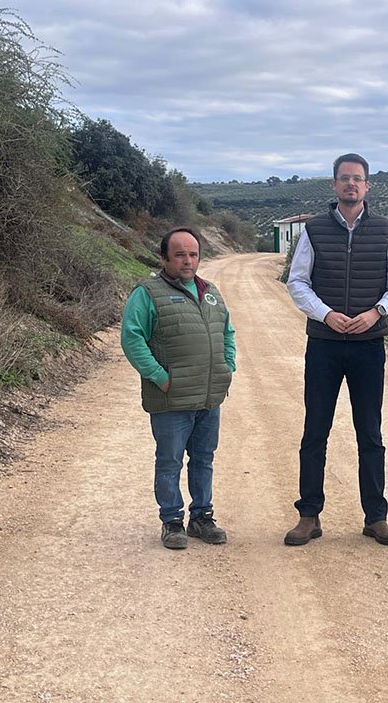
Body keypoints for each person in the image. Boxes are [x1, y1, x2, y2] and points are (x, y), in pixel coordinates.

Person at [284, 153, 388, 547]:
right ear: (334, 185)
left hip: (368, 347)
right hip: (323, 345)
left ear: (367, 186)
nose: (351, 185)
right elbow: (297, 281)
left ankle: (376, 517)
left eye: (357, 179)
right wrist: (325, 315)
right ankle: (309, 515)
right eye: (344, 179)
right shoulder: (315, 229)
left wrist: (377, 312)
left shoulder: (386, 230)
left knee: (370, 433)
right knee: (315, 432)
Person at [121, 227, 236, 550]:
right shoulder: (147, 292)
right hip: (171, 398)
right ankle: (172, 521)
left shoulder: (210, 291)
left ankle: (202, 517)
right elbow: (132, 338)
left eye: (193, 254)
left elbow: (227, 332)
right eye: (180, 254)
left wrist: (228, 366)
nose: (188, 261)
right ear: (164, 258)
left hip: (209, 396)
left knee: (204, 458)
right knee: (169, 460)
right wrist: (160, 377)